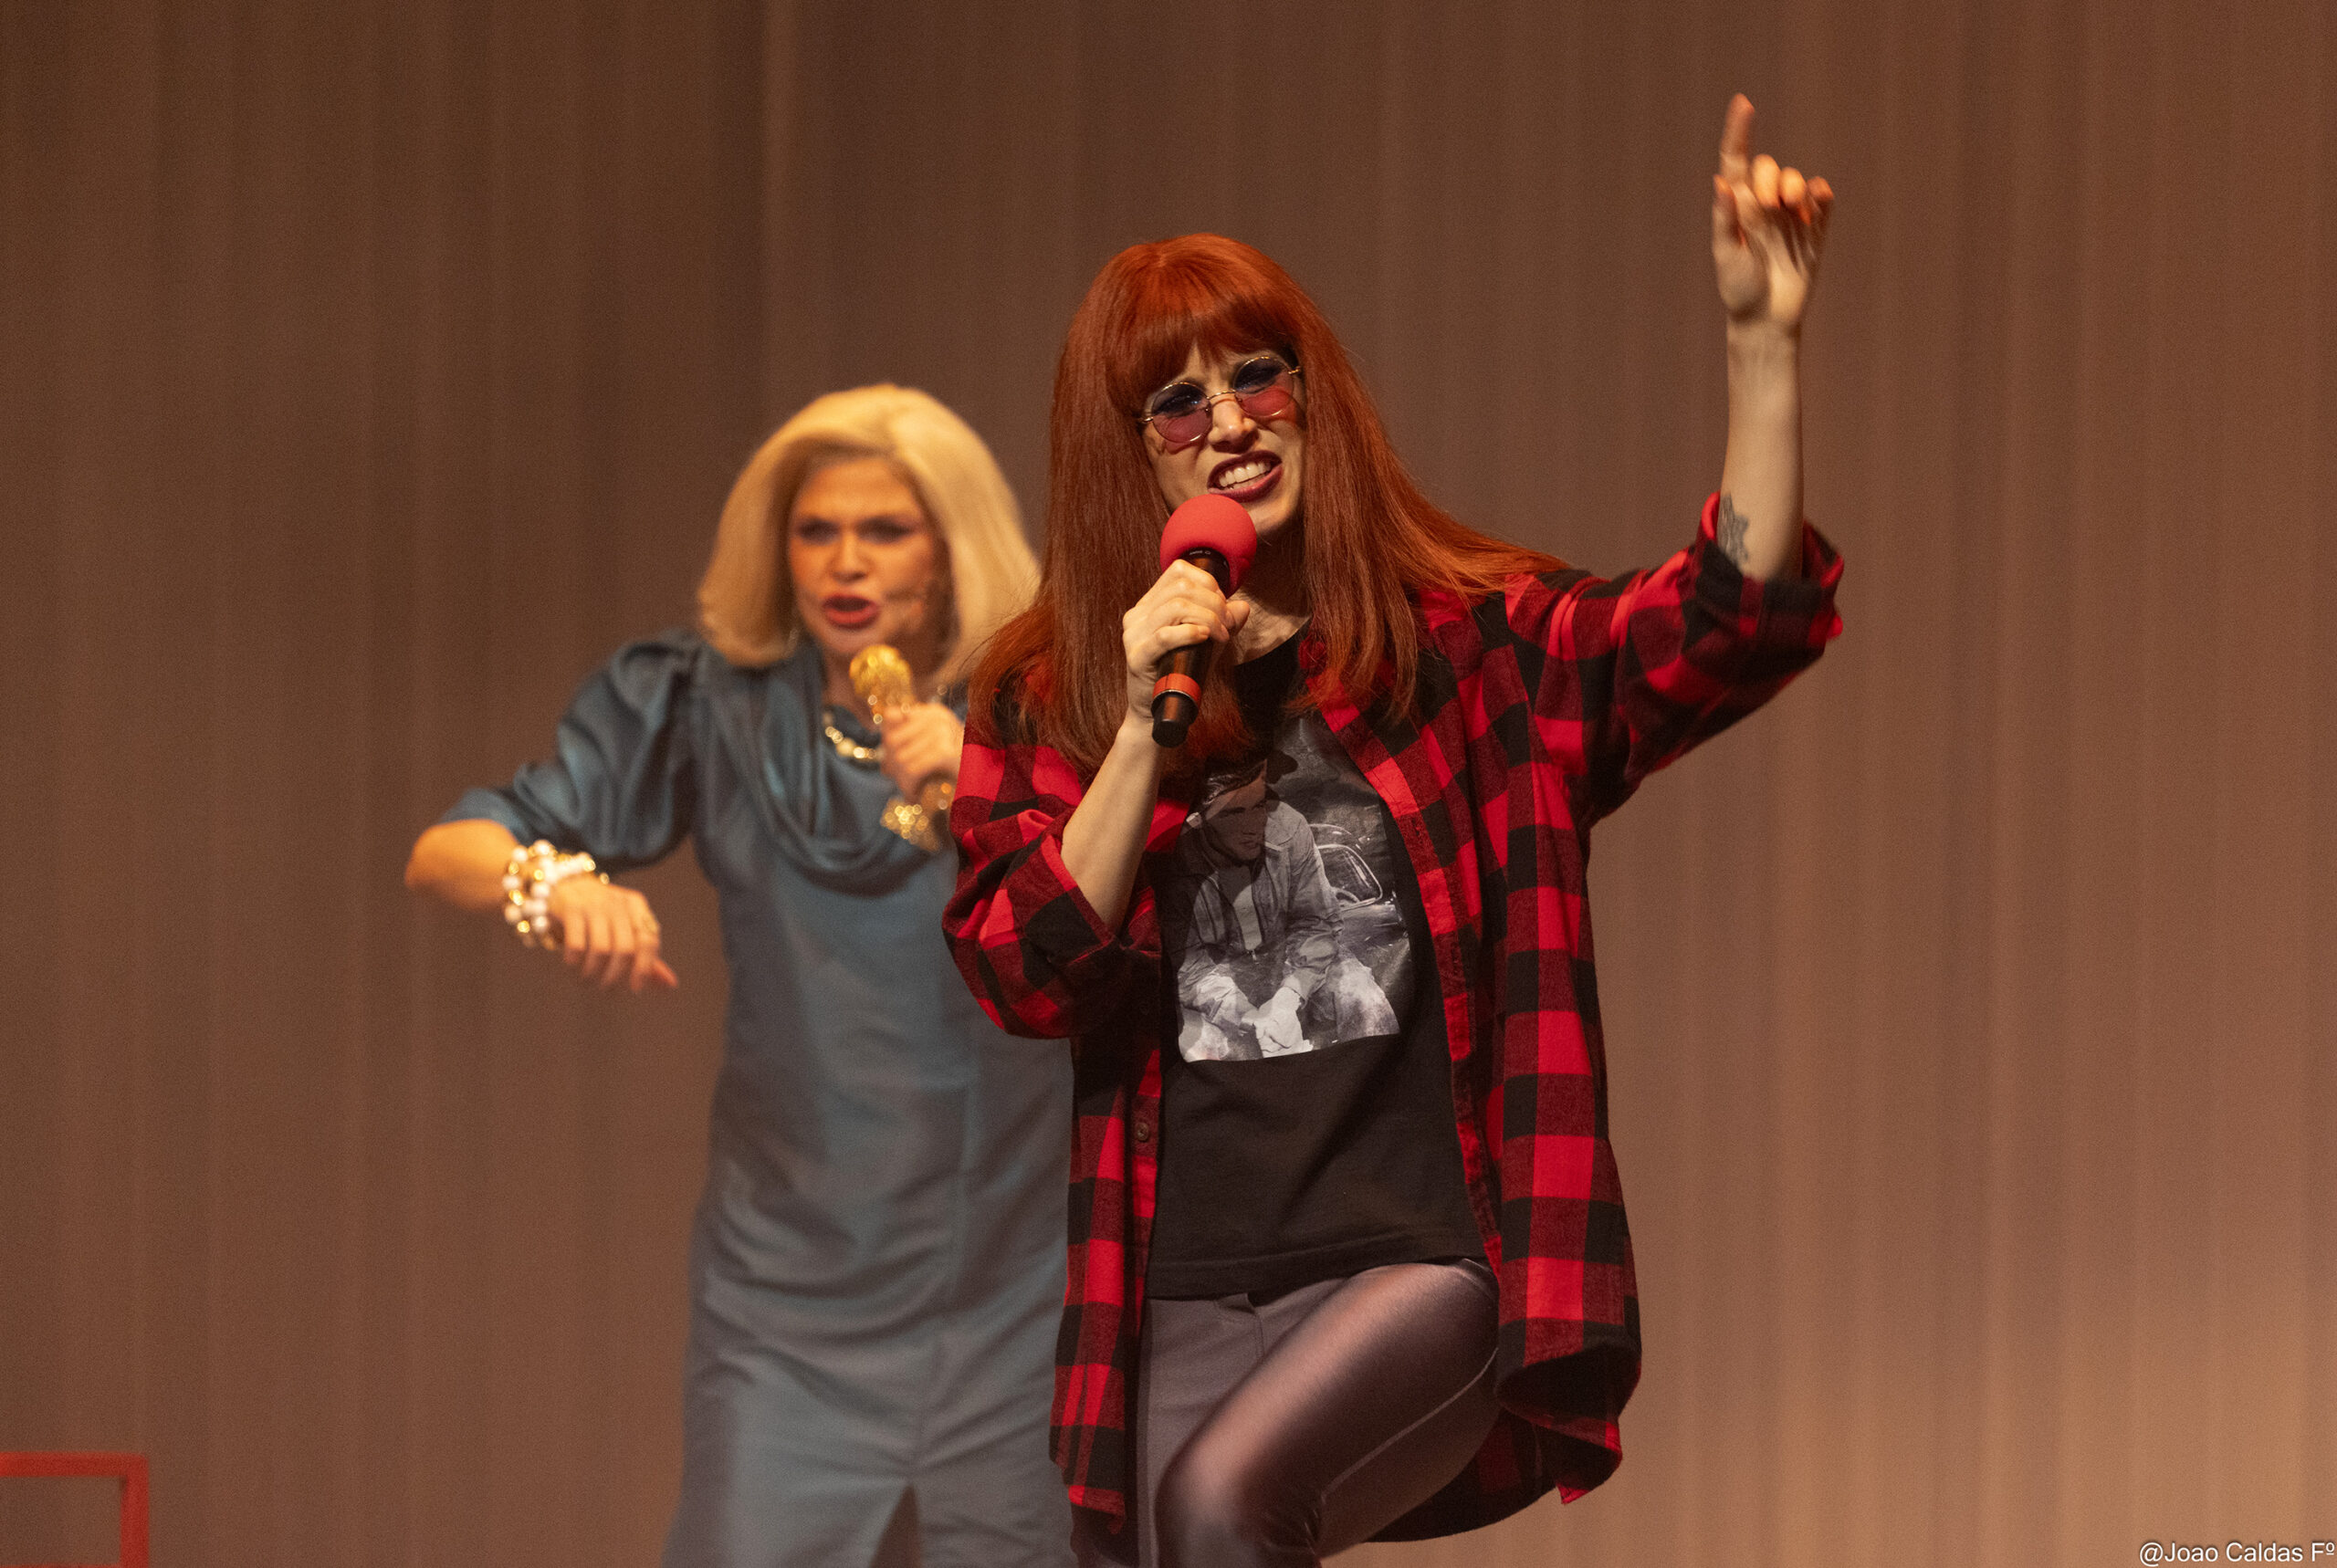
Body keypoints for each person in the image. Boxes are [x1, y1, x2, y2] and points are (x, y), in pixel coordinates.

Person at [943, 98, 1842, 1566]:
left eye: (1258, 376)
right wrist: (1143, 729)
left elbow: (1728, 623)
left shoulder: (1468, 655)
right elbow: (1021, 967)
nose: (1233, 422)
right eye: (1180, 403)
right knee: (1178, 1533)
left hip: (1422, 1259)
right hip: (1178, 1283)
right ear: (1132, 456)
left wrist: (1762, 348)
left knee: (1223, 1507)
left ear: (1312, 397)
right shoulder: (1049, 697)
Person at [404, 385, 1074, 1568]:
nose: (844, 562)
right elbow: (447, 850)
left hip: (1020, 1292)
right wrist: (552, 887)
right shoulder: (711, 703)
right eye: (816, 531)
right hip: (792, 1299)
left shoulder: (1045, 711)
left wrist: (987, 780)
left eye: (885, 530)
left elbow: (1140, 918)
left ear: (952, 546)